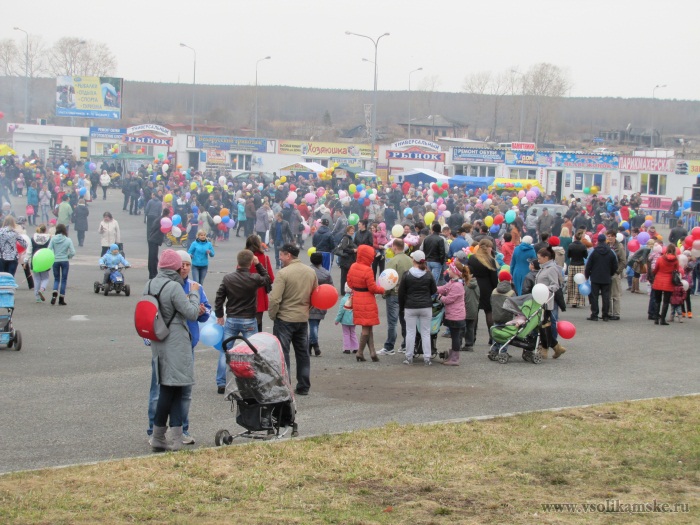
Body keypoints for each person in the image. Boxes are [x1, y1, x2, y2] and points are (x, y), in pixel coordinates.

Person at [147, 249, 202, 452]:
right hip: (176, 342)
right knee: (177, 390)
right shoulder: (174, 286)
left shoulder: (150, 284)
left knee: (165, 389)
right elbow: (192, 313)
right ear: (176, 268)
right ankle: (176, 439)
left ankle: (157, 436)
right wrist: (194, 293)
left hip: (158, 339)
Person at [214, 249, 271, 394]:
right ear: (251, 262)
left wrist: (219, 314)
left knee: (225, 350)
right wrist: (258, 265)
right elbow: (267, 279)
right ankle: (252, 380)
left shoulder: (228, 278)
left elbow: (219, 297)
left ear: (237, 262)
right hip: (249, 318)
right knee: (252, 351)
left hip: (232, 318)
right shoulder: (254, 278)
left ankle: (221, 382)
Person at [268, 243, 318, 396]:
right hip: (302, 318)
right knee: (303, 353)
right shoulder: (311, 272)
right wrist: (306, 310)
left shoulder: (283, 273)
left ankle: (285, 386)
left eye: (281, 255)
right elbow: (315, 295)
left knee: (283, 354)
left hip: (285, 318)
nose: (279, 258)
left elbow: (275, 298)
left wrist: (273, 315)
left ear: (288, 255)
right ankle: (304, 386)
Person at [399, 250, 437, 365]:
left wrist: (402, 307)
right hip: (425, 306)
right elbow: (434, 290)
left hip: (410, 306)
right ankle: (427, 358)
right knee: (426, 332)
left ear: (413, 260)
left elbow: (401, 292)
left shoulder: (407, 274)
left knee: (410, 332)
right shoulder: (428, 274)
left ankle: (409, 357)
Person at [378, 238, 412, 356]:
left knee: (392, 322)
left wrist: (385, 292)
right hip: (407, 294)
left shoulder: (392, 261)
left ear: (394, 247)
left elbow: (387, 279)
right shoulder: (410, 260)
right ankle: (405, 345)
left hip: (394, 293)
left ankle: (389, 346)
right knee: (405, 321)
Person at [536, 246, 567, 358]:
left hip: (546, 301)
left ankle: (545, 348)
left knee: (544, 325)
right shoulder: (543, 268)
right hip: (540, 300)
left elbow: (555, 285)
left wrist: (545, 289)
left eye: (539, 258)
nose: (538, 260)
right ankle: (556, 347)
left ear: (546, 258)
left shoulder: (551, 269)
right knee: (543, 325)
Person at [467, 239, 499, 343]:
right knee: (489, 311)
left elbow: (468, 273)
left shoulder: (472, 258)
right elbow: (494, 278)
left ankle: (471, 337)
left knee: (474, 312)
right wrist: (495, 288)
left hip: (474, 286)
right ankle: (492, 337)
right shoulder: (490, 260)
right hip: (487, 287)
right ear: (488, 248)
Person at [437, 260, 466, 365]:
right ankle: (452, 357)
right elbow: (444, 288)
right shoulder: (453, 282)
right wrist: (433, 288)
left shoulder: (457, 285)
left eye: (450, 269)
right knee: (454, 336)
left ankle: (454, 359)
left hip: (456, 315)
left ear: (455, 271)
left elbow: (448, 299)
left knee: (455, 336)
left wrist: (439, 297)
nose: (448, 270)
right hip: (454, 314)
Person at [584, 233, 619, 322]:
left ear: (598, 241)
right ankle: (605, 315)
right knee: (606, 296)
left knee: (594, 297)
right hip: (606, 277)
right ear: (605, 240)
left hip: (595, 277)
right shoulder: (611, 252)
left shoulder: (594, 251)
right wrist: (611, 273)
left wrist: (587, 275)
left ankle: (594, 314)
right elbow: (615, 265)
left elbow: (589, 265)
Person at [245, 234, 275, 333]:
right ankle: (258, 337)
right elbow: (271, 278)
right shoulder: (264, 258)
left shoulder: (244, 257)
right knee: (258, 320)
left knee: (246, 321)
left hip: (245, 291)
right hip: (260, 292)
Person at [308, 252, 333, 357]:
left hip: (309, 301)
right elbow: (331, 288)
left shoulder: (307, 272)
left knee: (313, 324)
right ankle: (313, 346)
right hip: (322, 301)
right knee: (315, 324)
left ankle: (312, 345)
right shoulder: (326, 273)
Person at [651, 244, 680, 325]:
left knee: (657, 300)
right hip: (669, 281)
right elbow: (677, 270)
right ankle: (662, 319)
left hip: (658, 280)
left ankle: (656, 318)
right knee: (666, 302)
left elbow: (656, 269)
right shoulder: (675, 260)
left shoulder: (660, 258)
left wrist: (654, 274)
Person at [47, 223, 75, 305]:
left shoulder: (53, 239)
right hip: (64, 261)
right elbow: (73, 252)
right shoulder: (68, 240)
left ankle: (55, 291)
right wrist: (68, 256)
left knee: (56, 279)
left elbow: (49, 249)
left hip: (55, 260)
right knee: (64, 279)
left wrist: (52, 256)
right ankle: (61, 298)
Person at [606, 229, 626, 321]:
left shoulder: (619, 247)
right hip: (607, 272)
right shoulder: (606, 246)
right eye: (608, 236)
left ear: (614, 236)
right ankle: (609, 312)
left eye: (611, 236)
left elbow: (623, 261)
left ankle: (616, 313)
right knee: (608, 294)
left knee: (615, 294)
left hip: (615, 273)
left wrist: (617, 271)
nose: (609, 238)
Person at [28, 224, 51, 302]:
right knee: (45, 278)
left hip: (35, 260)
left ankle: (37, 297)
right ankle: (42, 289)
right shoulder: (48, 239)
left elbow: (29, 250)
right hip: (44, 260)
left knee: (37, 279)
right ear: (45, 230)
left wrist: (26, 260)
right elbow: (50, 250)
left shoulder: (32, 238)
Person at [566, 229, 588, 307]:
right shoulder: (583, 246)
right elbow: (585, 256)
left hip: (572, 264)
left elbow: (568, 255)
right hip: (580, 265)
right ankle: (578, 300)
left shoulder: (570, 245)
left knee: (571, 283)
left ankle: (571, 300)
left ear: (574, 237)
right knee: (580, 283)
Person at [461, 262, 480, 352]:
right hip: (473, 308)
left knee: (462, 327)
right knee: (470, 327)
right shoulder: (475, 284)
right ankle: (469, 344)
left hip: (465, 308)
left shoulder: (466, 284)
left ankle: (460, 343)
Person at [147, 209, 171, 279]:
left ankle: (153, 273)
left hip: (152, 239)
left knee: (153, 258)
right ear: (168, 214)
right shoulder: (163, 220)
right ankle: (153, 274)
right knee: (153, 258)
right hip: (154, 240)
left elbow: (153, 228)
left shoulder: (159, 219)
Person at [335, 285, 358, 354]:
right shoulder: (355, 298)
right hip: (354, 320)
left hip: (345, 321)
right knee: (353, 333)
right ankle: (355, 347)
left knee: (346, 334)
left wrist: (337, 320)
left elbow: (341, 311)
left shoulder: (343, 299)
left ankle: (347, 348)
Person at [337, 225, 357, 296]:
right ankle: (343, 291)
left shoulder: (349, 238)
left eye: (353, 230)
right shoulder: (346, 238)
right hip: (346, 260)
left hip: (348, 260)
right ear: (347, 231)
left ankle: (345, 290)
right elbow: (344, 248)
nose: (352, 232)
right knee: (344, 276)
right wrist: (353, 250)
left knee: (346, 276)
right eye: (351, 231)